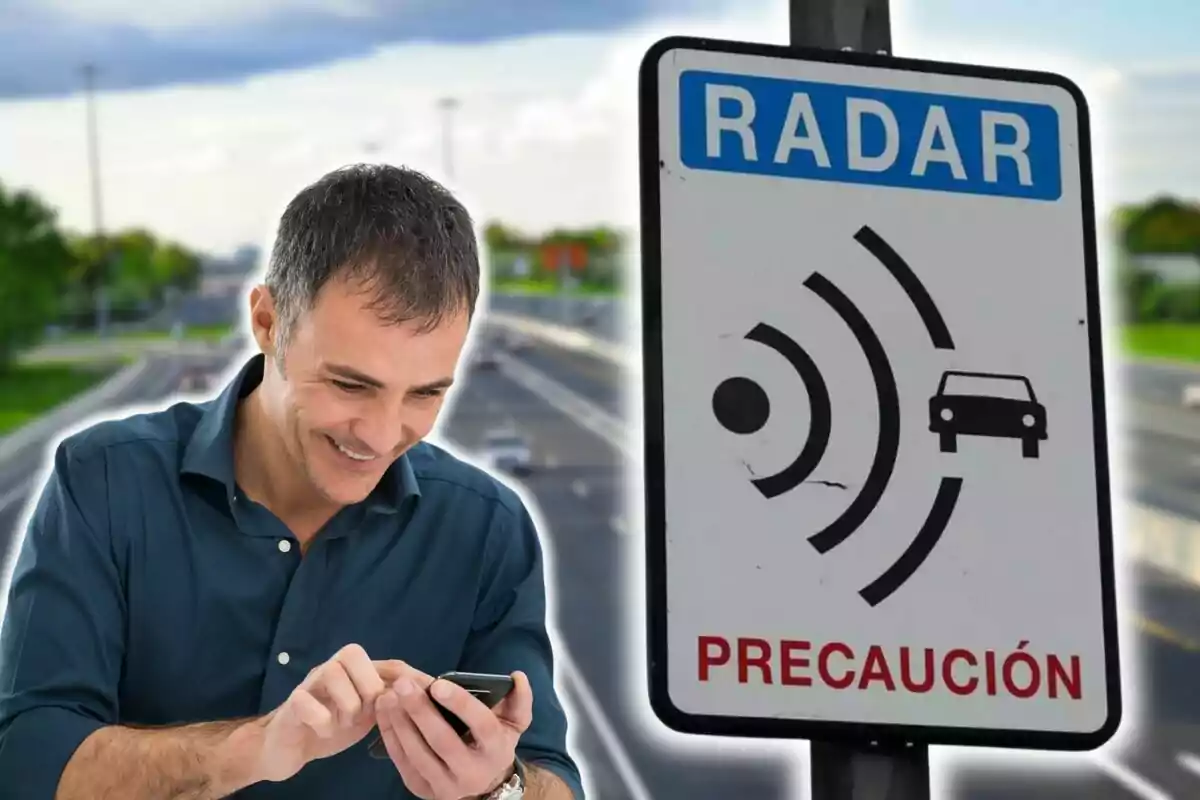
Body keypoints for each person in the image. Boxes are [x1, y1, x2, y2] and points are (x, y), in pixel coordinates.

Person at [0, 164, 584, 800]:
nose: (382, 435)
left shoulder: (487, 528)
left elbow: (552, 780)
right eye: (349, 384)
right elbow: (26, 762)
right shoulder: (105, 482)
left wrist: (500, 786)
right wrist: (257, 746)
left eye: (424, 394)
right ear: (268, 322)